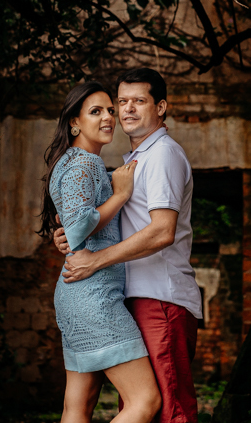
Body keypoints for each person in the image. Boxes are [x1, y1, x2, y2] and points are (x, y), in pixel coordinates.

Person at [55, 68, 202, 423]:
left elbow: (161, 231)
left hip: (160, 297)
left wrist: (96, 259)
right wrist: (71, 234)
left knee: (167, 410)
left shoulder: (163, 154)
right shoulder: (129, 162)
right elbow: (89, 218)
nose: (126, 110)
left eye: (139, 101)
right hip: (127, 296)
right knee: (142, 407)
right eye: (122, 102)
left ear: (161, 107)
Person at [39, 81, 162, 423]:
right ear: (74, 123)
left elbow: (71, 227)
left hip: (74, 296)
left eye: (110, 110)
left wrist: (64, 236)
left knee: (78, 408)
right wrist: (120, 195)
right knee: (145, 401)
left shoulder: (68, 162)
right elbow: (78, 229)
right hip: (94, 298)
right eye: (96, 111)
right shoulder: (86, 165)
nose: (108, 117)